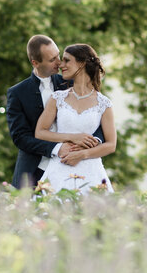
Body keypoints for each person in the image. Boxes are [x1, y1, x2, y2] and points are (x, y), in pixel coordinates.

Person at [7, 35, 104, 188]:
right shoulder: (17, 93)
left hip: (75, 166)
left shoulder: (71, 83)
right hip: (33, 170)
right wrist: (57, 148)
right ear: (35, 63)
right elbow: (20, 137)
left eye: (58, 55)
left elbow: (98, 114)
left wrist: (93, 141)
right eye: (52, 60)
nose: (59, 63)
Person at [35, 43, 116, 193]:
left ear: (82, 63)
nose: (61, 65)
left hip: (92, 172)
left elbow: (111, 145)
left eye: (66, 60)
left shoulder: (104, 103)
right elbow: (40, 132)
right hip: (59, 168)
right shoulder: (57, 98)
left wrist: (82, 154)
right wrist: (74, 137)